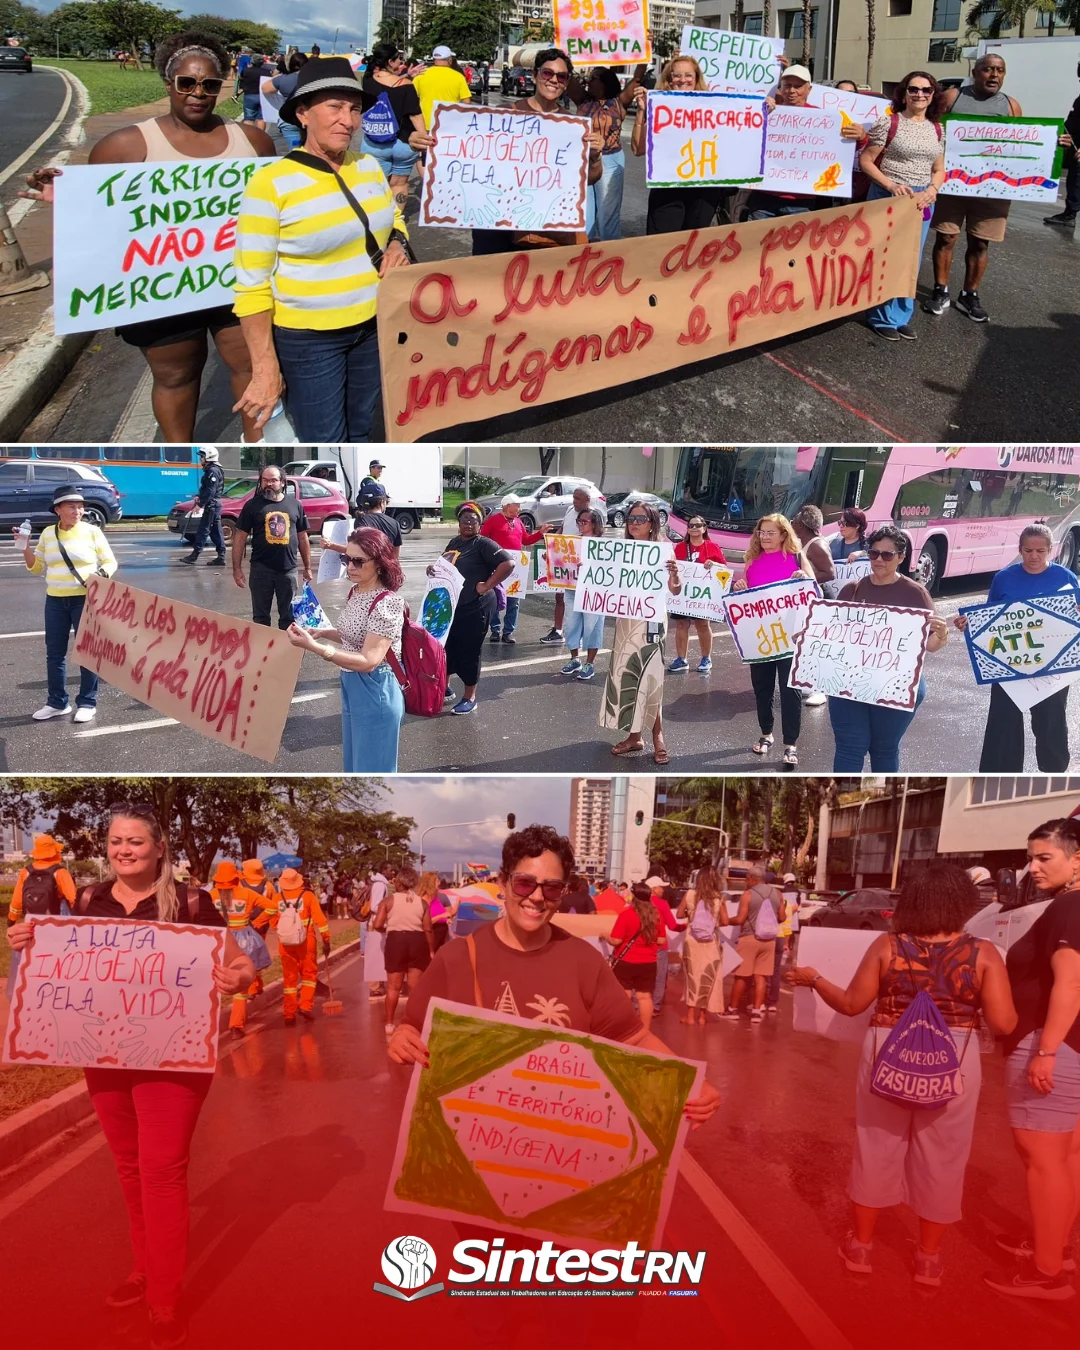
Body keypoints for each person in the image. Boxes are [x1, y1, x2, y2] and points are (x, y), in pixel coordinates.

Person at [4, 804, 255, 1349]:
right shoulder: (90, 899)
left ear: (159, 848)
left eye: (136, 842)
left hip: (171, 1060)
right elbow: (61, 958)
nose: (125, 850)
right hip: (105, 1055)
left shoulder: (193, 903)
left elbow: (243, 966)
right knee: (129, 1167)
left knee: (162, 1172)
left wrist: (236, 979)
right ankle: (145, 1266)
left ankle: (164, 1299)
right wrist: (26, 942)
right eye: (117, 841)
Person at [20, 32, 274, 444]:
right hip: (160, 293)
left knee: (251, 365)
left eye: (209, 85)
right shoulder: (124, 146)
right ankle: (179, 455)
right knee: (176, 375)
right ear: (168, 83)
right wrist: (67, 199)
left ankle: (261, 444)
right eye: (186, 83)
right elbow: (99, 217)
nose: (198, 93)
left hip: (236, 285)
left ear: (220, 87)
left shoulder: (254, 142)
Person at [387, 824, 722, 1130]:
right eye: (524, 883)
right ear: (503, 882)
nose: (536, 897)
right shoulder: (456, 957)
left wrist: (691, 1081)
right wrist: (401, 1039)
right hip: (472, 1145)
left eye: (551, 888)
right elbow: (411, 1026)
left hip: (558, 1153)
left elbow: (633, 1039)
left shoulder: (584, 962)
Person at [789, 864, 1016, 1289]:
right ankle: (928, 1259)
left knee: (876, 1145)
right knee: (944, 1154)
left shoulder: (887, 946)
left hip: (887, 1047)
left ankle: (861, 1247)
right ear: (962, 903)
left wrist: (814, 978)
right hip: (954, 1055)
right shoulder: (983, 952)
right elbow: (1003, 1024)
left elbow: (853, 1004)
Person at [233, 57, 411, 442]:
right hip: (310, 340)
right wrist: (264, 369)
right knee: (323, 439)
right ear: (302, 113)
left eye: (354, 108)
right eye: (334, 106)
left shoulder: (367, 166)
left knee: (362, 428)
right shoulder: (271, 183)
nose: (347, 120)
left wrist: (398, 243)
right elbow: (251, 286)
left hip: (372, 325)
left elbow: (393, 220)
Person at [983, 818, 1080, 1299]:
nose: (1033, 867)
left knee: (1041, 1159)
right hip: (1072, 1048)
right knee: (1066, 1158)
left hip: (1052, 1046)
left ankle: (1049, 1273)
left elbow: (1071, 982)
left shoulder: (1070, 907)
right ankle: (1054, 1248)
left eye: (1045, 858)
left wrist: (1044, 1051)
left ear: (1077, 859)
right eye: (1031, 857)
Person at [928, 55, 1070, 322]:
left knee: (980, 243)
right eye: (988, 69)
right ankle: (940, 290)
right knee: (946, 238)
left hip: (994, 189)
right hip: (953, 184)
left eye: (1000, 70)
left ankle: (969, 295)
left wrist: (1054, 142)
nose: (994, 75)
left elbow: (1025, 144)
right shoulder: (952, 98)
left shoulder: (1010, 105)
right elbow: (931, 130)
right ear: (975, 72)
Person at [954, 523, 1080, 773]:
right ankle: (1000, 776)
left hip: (1051, 668)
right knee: (1003, 726)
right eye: (1028, 550)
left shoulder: (1066, 577)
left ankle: (1054, 775)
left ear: (1051, 550)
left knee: (1050, 724)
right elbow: (989, 619)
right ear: (1020, 549)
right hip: (1008, 666)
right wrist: (968, 624)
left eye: (1041, 551)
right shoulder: (1004, 577)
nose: (1034, 556)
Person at [828, 524, 949, 772]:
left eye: (887, 555)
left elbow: (930, 646)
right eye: (873, 553)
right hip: (850, 681)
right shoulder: (852, 590)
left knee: (884, 748)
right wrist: (809, 637)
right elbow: (832, 635)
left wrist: (942, 634)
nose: (879, 560)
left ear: (902, 557)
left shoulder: (916, 593)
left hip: (898, 683)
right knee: (850, 746)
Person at [287, 526, 406, 771]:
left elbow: (370, 659)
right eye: (346, 559)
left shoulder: (388, 603)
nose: (350, 566)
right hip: (352, 685)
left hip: (375, 688)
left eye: (358, 561)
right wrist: (321, 633)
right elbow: (354, 636)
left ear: (381, 563)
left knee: (373, 773)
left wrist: (317, 648)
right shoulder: (356, 591)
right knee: (354, 767)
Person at [471, 49, 603, 253]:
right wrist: (430, 143)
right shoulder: (504, 115)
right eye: (547, 73)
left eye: (561, 76)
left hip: (542, 229)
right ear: (535, 75)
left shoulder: (572, 126)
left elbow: (589, 179)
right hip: (496, 222)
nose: (554, 80)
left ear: (567, 83)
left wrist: (595, 158)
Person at [14, 484, 118, 725]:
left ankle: (87, 702)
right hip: (55, 601)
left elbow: (110, 561)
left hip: (84, 600)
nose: (78, 511)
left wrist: (100, 575)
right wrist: (25, 546)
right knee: (55, 654)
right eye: (72, 506)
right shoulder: (49, 534)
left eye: (81, 507)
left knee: (87, 653)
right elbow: (36, 567)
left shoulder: (92, 532)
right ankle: (57, 702)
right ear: (58, 509)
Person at [860, 73, 945, 340]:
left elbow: (940, 169)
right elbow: (866, 161)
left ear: (934, 94)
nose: (920, 94)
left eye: (926, 90)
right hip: (888, 196)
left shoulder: (937, 128)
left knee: (911, 260)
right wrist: (890, 185)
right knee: (884, 257)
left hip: (920, 201)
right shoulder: (889, 122)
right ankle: (879, 316)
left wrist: (932, 189)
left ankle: (899, 315)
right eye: (914, 89)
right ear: (904, 93)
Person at [600, 503, 681, 764]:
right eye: (631, 518)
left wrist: (675, 575)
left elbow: (676, 590)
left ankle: (659, 737)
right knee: (627, 677)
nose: (634, 522)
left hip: (652, 622)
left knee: (650, 678)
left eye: (641, 518)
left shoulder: (664, 552)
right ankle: (634, 736)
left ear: (652, 522)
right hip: (626, 621)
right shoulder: (619, 552)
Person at [730, 513, 810, 769]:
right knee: (762, 689)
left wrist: (803, 579)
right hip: (760, 637)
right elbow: (747, 595)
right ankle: (766, 734)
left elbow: (813, 590)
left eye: (770, 533)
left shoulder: (797, 558)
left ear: (784, 534)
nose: (764, 537)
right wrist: (740, 587)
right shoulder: (752, 560)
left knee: (790, 692)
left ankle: (791, 744)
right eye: (761, 533)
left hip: (790, 637)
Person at [744, 65, 863, 220]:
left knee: (797, 245)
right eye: (787, 86)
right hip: (764, 198)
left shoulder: (824, 118)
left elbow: (845, 150)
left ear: (809, 89)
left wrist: (861, 137)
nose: (792, 91)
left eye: (798, 86)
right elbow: (744, 137)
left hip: (802, 202)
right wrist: (756, 112)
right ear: (781, 88)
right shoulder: (768, 111)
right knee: (756, 242)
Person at [630, 56, 732, 233]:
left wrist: (763, 109)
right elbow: (638, 149)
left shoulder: (713, 107)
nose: (683, 80)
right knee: (662, 245)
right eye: (677, 75)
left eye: (688, 75)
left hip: (703, 191)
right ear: (669, 80)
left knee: (694, 248)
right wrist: (641, 110)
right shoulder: (661, 108)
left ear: (696, 78)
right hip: (668, 190)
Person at [433, 502, 514, 715]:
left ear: (480, 523)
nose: (468, 522)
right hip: (453, 605)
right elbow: (445, 565)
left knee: (470, 651)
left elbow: (508, 564)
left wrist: (487, 585)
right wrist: (433, 570)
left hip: (476, 606)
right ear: (458, 522)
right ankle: (445, 688)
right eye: (464, 518)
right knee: (447, 647)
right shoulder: (455, 542)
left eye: (473, 519)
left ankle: (470, 697)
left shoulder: (484, 544)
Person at [568, 64, 644, 240]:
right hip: (584, 161)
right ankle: (583, 254)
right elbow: (568, 77)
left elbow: (638, 77)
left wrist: (645, 49)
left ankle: (609, 256)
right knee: (583, 215)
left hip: (610, 161)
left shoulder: (619, 102)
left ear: (604, 83)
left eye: (594, 78)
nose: (589, 81)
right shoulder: (583, 99)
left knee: (607, 216)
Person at [232, 466, 312, 630]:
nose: (269, 484)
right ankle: (263, 653)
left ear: (282, 482)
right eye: (265, 480)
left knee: (289, 618)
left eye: (273, 480)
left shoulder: (295, 505)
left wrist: (308, 567)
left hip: (288, 570)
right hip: (261, 570)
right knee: (261, 619)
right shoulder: (252, 506)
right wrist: (237, 569)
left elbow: (303, 537)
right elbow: (239, 538)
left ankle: (285, 652)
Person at [3, 834, 76, 1002]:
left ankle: (18, 993)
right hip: (56, 922)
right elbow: (73, 899)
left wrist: (11, 919)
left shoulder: (25, 872)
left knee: (25, 952)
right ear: (54, 852)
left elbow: (17, 899)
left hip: (32, 922)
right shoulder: (60, 872)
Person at [255, 868, 330, 1023]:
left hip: (285, 942)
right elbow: (320, 920)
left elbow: (268, 918)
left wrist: (278, 930)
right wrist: (326, 939)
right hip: (306, 940)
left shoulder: (277, 898)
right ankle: (305, 1006)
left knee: (289, 978)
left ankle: (289, 1013)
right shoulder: (308, 896)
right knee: (309, 975)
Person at [479, 494, 556, 644]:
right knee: (495, 598)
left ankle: (508, 631)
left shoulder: (519, 522)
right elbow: (482, 538)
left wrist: (541, 533)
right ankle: (495, 629)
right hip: (497, 566)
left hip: (516, 569)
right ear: (508, 506)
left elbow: (526, 540)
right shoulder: (494, 521)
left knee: (513, 600)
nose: (520, 508)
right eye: (517, 505)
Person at [208, 860, 272, 1036]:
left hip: (218, 940)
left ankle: (208, 1027)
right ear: (236, 877)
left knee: (213, 982)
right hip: (244, 939)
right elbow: (272, 907)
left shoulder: (211, 895)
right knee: (241, 986)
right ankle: (236, 1025)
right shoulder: (246, 893)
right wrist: (257, 922)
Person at [361, 44, 425, 214]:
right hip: (403, 142)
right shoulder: (406, 85)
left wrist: (406, 74)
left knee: (376, 183)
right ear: (390, 61)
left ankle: (377, 219)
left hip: (375, 142)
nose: (401, 62)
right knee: (400, 184)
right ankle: (396, 223)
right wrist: (424, 139)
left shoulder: (367, 80)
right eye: (398, 59)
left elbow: (386, 86)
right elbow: (415, 114)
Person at [372, 867, 434, 1036]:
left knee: (393, 987)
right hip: (417, 942)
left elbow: (377, 925)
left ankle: (390, 1024)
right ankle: (412, 1023)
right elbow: (428, 930)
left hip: (396, 942)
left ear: (398, 882)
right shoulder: (422, 903)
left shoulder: (388, 901)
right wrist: (431, 950)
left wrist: (388, 930)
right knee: (414, 987)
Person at [724, 865, 786, 1023]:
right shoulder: (777, 893)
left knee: (741, 976)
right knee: (761, 977)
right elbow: (782, 917)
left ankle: (732, 1009)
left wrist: (724, 921)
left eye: (747, 879)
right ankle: (757, 1012)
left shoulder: (748, 895)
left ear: (752, 878)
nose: (746, 882)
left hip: (749, 938)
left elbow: (739, 919)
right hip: (769, 940)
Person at [668, 514, 727, 675]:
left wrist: (714, 564)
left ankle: (706, 658)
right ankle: (681, 659)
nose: (694, 528)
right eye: (691, 526)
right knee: (681, 624)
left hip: (702, 595)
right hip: (683, 594)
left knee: (702, 625)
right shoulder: (679, 547)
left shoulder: (712, 547)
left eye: (697, 525)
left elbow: (724, 571)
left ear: (704, 528)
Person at [541, 485, 597, 647]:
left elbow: (597, 535)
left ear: (587, 500)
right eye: (574, 498)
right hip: (565, 561)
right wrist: (551, 549)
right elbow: (562, 530)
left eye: (578, 498)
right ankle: (558, 631)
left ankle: (579, 634)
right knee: (560, 596)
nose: (574, 501)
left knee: (578, 600)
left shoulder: (593, 515)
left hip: (581, 563)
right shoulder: (570, 511)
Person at [560, 506, 607, 679]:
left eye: (584, 521)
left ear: (595, 524)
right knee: (571, 624)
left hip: (594, 592)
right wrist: (551, 558)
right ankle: (574, 659)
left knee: (592, 626)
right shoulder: (573, 542)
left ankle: (590, 663)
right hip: (572, 589)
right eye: (579, 521)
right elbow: (561, 560)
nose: (580, 524)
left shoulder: (604, 545)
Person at [677, 865, 727, 1025]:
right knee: (708, 977)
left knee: (692, 976)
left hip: (692, 941)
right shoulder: (719, 898)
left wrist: (692, 915)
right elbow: (725, 922)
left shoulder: (690, 894)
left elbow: (679, 914)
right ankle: (702, 1016)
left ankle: (690, 1016)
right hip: (711, 942)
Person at [1045, 60, 1080, 230]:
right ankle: (1070, 213)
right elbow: (1073, 122)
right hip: (1075, 148)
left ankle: (1070, 213)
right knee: (1075, 180)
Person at [645, 871, 685, 1015]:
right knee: (659, 977)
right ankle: (655, 1007)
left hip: (642, 945)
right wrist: (687, 925)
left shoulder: (639, 903)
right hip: (659, 946)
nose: (663, 890)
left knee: (642, 976)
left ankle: (638, 1005)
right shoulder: (662, 904)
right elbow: (673, 926)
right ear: (654, 889)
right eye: (661, 887)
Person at [179, 445, 226, 566]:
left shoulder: (212, 470)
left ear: (208, 457)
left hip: (212, 505)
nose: (201, 459)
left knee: (203, 530)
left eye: (202, 457)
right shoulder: (213, 469)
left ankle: (194, 556)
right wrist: (199, 496)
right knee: (216, 531)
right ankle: (221, 556)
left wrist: (200, 504)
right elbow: (207, 489)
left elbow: (211, 491)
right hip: (214, 505)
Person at [413, 44, 470, 133]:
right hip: (448, 124)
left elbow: (411, 98)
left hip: (424, 124)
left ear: (434, 59)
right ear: (449, 60)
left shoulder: (421, 74)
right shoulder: (459, 77)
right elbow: (466, 102)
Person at [263, 49, 308, 151]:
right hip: (309, 120)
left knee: (295, 150)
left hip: (289, 121)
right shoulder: (314, 78)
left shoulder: (282, 79)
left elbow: (265, 89)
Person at [422, 871, 457, 951]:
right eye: (437, 881)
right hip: (433, 935)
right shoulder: (425, 899)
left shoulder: (435, 897)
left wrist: (446, 919)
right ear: (431, 883)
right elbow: (425, 923)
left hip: (441, 935)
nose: (439, 882)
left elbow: (444, 913)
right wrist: (441, 916)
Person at [239, 51, 271, 127]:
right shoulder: (266, 72)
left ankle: (249, 137)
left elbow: (241, 78)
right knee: (261, 118)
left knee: (249, 119)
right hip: (262, 96)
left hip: (249, 95)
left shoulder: (246, 70)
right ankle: (260, 136)